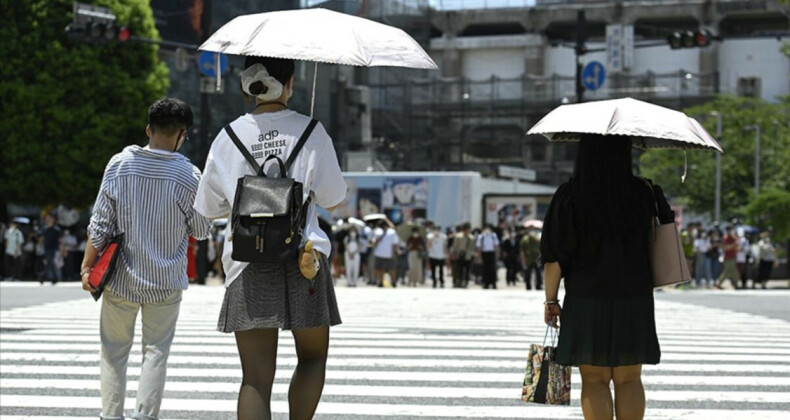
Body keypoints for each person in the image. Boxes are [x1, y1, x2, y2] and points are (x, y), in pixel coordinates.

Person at [193, 56, 347, 420]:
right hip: (304, 257)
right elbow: (333, 198)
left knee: (256, 379)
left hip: (248, 259)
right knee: (311, 357)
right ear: (290, 83)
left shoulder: (228, 136)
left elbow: (210, 207)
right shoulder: (311, 131)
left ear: (248, 85)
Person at [81, 98, 211, 420]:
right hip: (165, 282)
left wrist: (86, 266)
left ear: (148, 129)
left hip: (121, 278)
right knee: (155, 353)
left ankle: (111, 416)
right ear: (182, 134)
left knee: (113, 352)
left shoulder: (120, 164)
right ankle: (144, 416)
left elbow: (100, 224)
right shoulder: (188, 175)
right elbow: (202, 229)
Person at [541, 135, 664, 420]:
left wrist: (550, 300)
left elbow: (554, 256)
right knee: (629, 379)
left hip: (586, 298)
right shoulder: (641, 193)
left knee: (594, 380)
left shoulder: (570, 195)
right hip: (634, 297)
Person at [372, 219, 400, 288]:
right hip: (379, 253)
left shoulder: (392, 232)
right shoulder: (377, 231)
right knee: (380, 268)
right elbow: (373, 242)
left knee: (391, 268)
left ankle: (393, 281)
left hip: (389, 254)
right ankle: (381, 281)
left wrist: (395, 252)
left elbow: (394, 243)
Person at [715, 225, 740, 289]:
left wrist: (735, 245)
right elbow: (726, 248)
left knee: (728, 271)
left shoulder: (734, 238)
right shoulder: (725, 238)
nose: (730, 231)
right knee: (732, 271)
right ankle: (735, 284)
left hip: (733, 256)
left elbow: (737, 247)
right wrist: (733, 245)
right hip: (728, 257)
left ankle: (719, 283)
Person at [476, 224, 500, 289]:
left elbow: (496, 246)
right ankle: (485, 283)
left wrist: (497, 255)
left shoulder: (493, 236)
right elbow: (479, 247)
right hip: (484, 253)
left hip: (491, 254)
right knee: (485, 269)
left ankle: (493, 283)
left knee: (492, 269)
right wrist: (479, 257)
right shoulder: (481, 236)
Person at [40, 214, 62, 285]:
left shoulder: (56, 229)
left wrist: (62, 249)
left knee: (50, 262)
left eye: (50, 219)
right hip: (46, 247)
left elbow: (60, 240)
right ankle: (53, 278)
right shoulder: (44, 229)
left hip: (54, 248)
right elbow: (42, 239)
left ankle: (44, 277)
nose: (49, 220)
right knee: (49, 263)